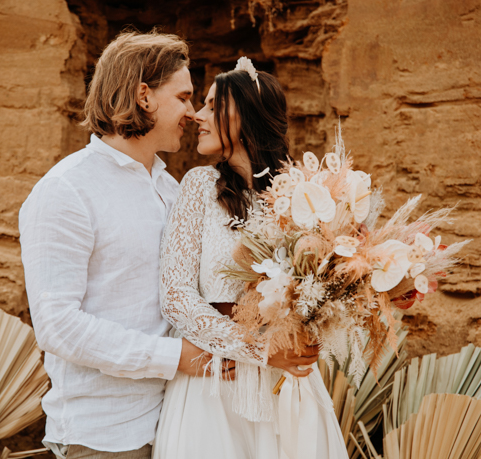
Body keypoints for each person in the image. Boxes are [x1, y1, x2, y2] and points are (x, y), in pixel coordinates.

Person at [19, 31, 223, 459]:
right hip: (104, 438)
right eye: (184, 97)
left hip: (183, 424)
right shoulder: (67, 189)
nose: (191, 112)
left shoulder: (171, 190)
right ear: (143, 95)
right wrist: (176, 358)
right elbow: (58, 325)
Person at [153, 59, 350, 458]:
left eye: (212, 106)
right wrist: (256, 349)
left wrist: (308, 336)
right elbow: (176, 295)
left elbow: (328, 287)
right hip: (215, 388)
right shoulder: (199, 186)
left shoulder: (307, 197)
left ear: (245, 116)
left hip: (289, 386)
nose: (198, 116)